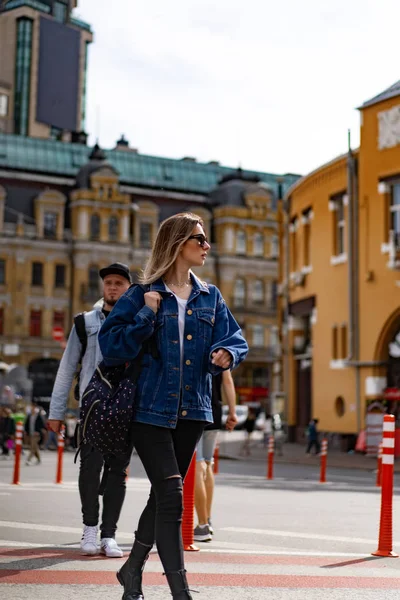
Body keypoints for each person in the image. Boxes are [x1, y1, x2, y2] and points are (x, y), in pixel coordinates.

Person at [99, 212, 248, 600]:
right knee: (172, 496)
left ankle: (132, 570)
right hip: (149, 410)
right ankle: (180, 592)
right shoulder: (142, 292)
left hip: (194, 411)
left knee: (163, 496)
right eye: (199, 240)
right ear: (178, 243)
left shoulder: (210, 296)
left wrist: (226, 354)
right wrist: (146, 313)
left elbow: (236, 339)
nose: (206, 246)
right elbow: (111, 347)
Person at [48, 263, 132, 558]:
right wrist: (56, 412)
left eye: (119, 283)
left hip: (125, 409)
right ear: (103, 287)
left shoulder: (137, 322)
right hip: (92, 407)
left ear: (128, 288)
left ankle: (109, 535)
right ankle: (90, 528)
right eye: (108, 282)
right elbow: (67, 367)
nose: (113, 287)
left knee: (117, 473)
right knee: (89, 469)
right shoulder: (84, 323)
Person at [194, 370, 238, 543]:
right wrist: (232, 411)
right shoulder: (218, 345)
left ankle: (203, 525)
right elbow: (227, 380)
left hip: (194, 410)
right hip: (214, 409)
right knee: (207, 463)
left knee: (198, 466)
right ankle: (207, 519)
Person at [24, 401, 46, 465]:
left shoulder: (38, 416)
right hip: (30, 434)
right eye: (31, 407)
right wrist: (26, 431)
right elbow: (26, 424)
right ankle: (39, 459)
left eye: (33, 407)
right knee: (35, 447)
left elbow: (42, 425)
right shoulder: (29, 415)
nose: (32, 408)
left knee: (33, 447)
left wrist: (39, 431)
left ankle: (28, 459)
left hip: (37, 434)